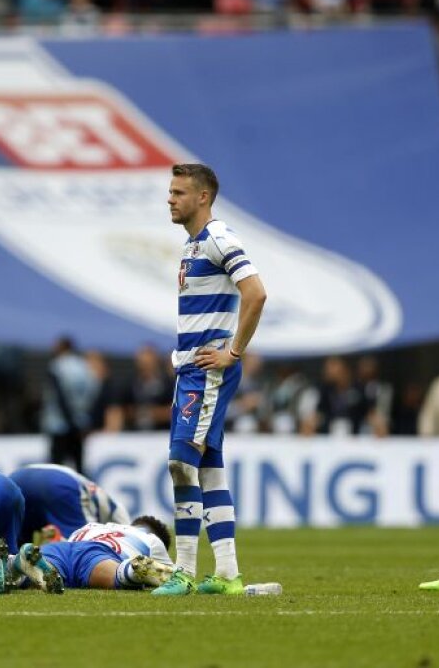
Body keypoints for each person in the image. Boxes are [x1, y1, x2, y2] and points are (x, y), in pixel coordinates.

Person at [154, 163, 267, 597]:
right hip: (191, 369)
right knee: (207, 470)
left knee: (181, 463)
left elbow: (256, 293)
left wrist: (233, 352)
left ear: (203, 197)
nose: (170, 199)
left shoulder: (219, 238)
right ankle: (226, 573)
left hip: (208, 370)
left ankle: (182, 571)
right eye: (170, 192)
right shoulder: (191, 246)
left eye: (179, 192)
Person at [29, 517, 175, 591]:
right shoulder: (152, 539)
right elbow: (177, 579)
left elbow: (74, 545)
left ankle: (14, 563)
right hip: (96, 555)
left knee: (29, 575)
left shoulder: (95, 525)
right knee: (122, 576)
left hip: (62, 548)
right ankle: (132, 570)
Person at [9, 463, 130, 546]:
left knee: (14, 543)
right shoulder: (116, 510)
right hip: (59, 484)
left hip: (16, 479)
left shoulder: (101, 500)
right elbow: (128, 537)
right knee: (82, 545)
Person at [41, 336, 98, 475]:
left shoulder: (57, 366)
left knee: (55, 468)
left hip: (59, 425)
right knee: (79, 467)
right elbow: (93, 392)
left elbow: (60, 396)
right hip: (80, 424)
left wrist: (70, 419)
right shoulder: (85, 366)